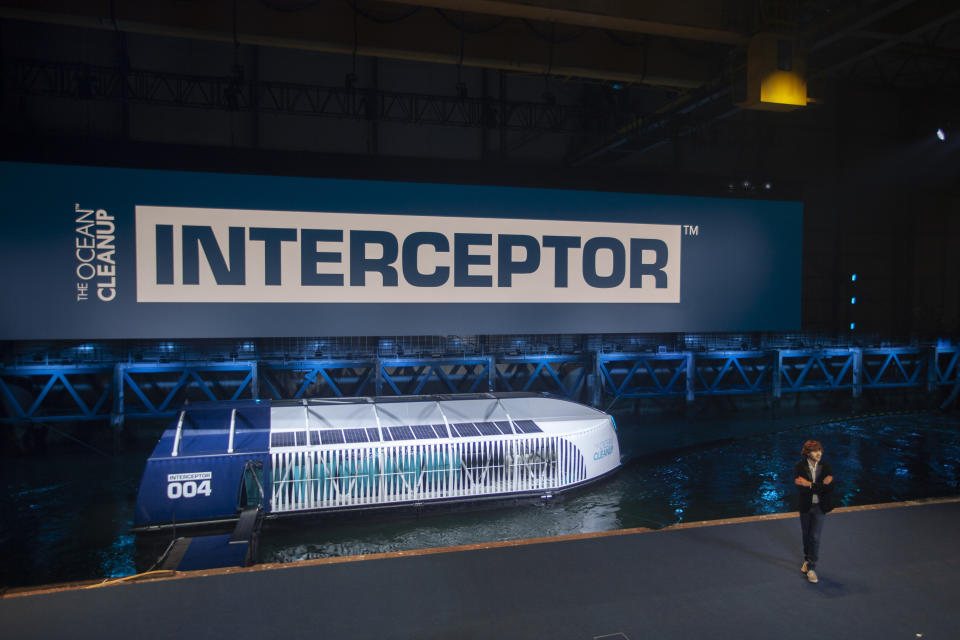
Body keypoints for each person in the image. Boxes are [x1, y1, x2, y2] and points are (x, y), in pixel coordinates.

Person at [793, 440, 834, 584]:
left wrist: (809, 484)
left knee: (815, 537)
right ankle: (807, 559)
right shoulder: (799, 467)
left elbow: (829, 488)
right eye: (815, 451)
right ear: (807, 453)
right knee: (806, 536)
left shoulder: (826, 466)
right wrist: (820, 485)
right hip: (805, 506)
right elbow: (801, 489)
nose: (819, 453)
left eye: (820, 450)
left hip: (819, 507)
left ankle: (811, 567)